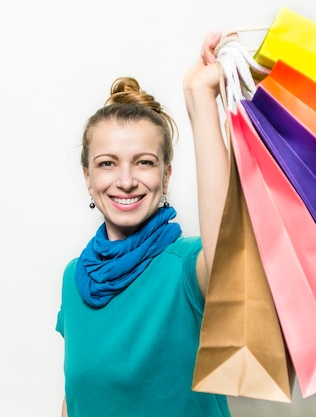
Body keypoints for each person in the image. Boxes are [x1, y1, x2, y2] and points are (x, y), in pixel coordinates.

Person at [56, 32, 233, 416]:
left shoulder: (188, 267)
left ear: (166, 176)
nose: (125, 180)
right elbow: (80, 396)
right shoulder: (75, 278)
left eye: (144, 161)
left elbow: (229, 253)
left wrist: (200, 100)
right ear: (87, 177)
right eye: (107, 163)